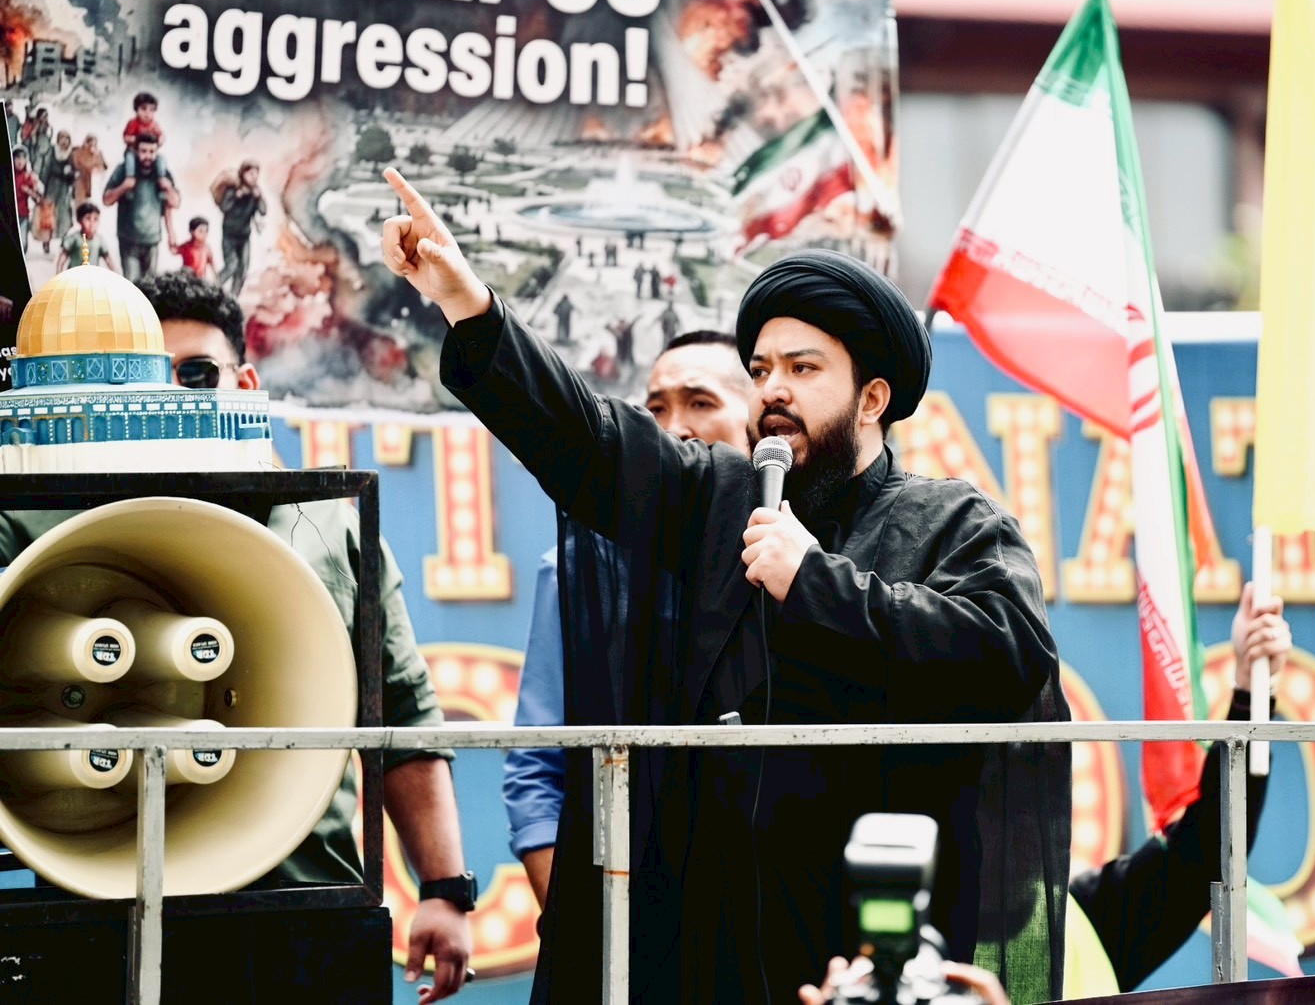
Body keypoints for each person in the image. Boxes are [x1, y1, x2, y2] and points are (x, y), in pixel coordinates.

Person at [381, 167, 1070, 1003]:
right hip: (709, 945)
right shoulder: (719, 498)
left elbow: (1008, 652)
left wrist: (814, 582)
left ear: (872, 399)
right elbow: (591, 439)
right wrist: (467, 303)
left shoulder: (952, 521)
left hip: (865, 939)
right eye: (762, 368)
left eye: (803, 368)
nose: (773, 388)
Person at [0, 272, 474, 1004]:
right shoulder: (38, 517)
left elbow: (403, 713)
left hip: (303, 907)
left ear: (245, 382)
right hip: (100, 908)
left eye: (196, 374)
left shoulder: (328, 524)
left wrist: (443, 887)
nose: (172, 399)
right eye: (150, 383)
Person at [799, 584, 1296, 1005]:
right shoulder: (874, 953)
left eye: (1026, 779)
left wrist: (1253, 692)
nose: (1012, 804)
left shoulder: (1088, 921)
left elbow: (1205, 851)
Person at [502, 329, 754, 910]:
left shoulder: (800, 566)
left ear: (758, 421)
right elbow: (537, 768)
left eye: (701, 402)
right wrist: (584, 927)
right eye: (655, 409)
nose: (673, 428)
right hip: (626, 906)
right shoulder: (576, 566)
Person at [103, 133, 179, 283]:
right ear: (136, 151)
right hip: (129, 240)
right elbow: (106, 199)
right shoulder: (124, 170)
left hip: (152, 240)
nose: (148, 156)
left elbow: (174, 203)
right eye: (143, 151)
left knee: (150, 287)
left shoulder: (162, 173)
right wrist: (124, 186)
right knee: (132, 286)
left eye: (152, 151)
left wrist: (167, 187)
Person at [217, 160, 266, 296]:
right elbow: (224, 207)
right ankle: (212, 287)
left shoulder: (255, 192)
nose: (254, 177)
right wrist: (236, 196)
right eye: (251, 174)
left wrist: (259, 197)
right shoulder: (233, 189)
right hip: (230, 235)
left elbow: (263, 211)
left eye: (256, 174)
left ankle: (233, 297)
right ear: (243, 174)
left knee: (243, 269)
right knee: (231, 266)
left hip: (244, 236)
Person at [35, 130, 75, 255]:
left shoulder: (71, 154)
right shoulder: (52, 151)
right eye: (62, 138)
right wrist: (42, 186)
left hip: (64, 188)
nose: (64, 141)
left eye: (67, 138)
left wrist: (70, 174)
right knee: (48, 215)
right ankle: (46, 241)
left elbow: (74, 174)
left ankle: (64, 241)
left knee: (64, 215)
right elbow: (45, 168)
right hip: (51, 186)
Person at [55, 201, 117, 273]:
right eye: (88, 218)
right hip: (74, 276)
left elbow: (109, 260)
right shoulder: (74, 239)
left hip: (91, 277)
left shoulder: (99, 241)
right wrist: (59, 274)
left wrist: (116, 275)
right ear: (79, 220)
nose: (92, 223)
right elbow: (62, 259)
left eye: (95, 219)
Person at [174, 216, 217, 280]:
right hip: (187, 279)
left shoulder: (207, 248)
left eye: (206, 231)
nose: (204, 234)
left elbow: (213, 265)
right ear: (192, 231)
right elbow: (174, 250)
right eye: (200, 231)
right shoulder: (186, 246)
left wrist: (217, 279)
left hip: (201, 280)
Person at [70, 134, 107, 208]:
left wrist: (96, 170)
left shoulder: (97, 154)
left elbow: (102, 167)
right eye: (89, 143)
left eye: (93, 144)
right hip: (80, 182)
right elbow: (74, 163)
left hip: (93, 184)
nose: (91, 146)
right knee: (79, 205)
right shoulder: (78, 152)